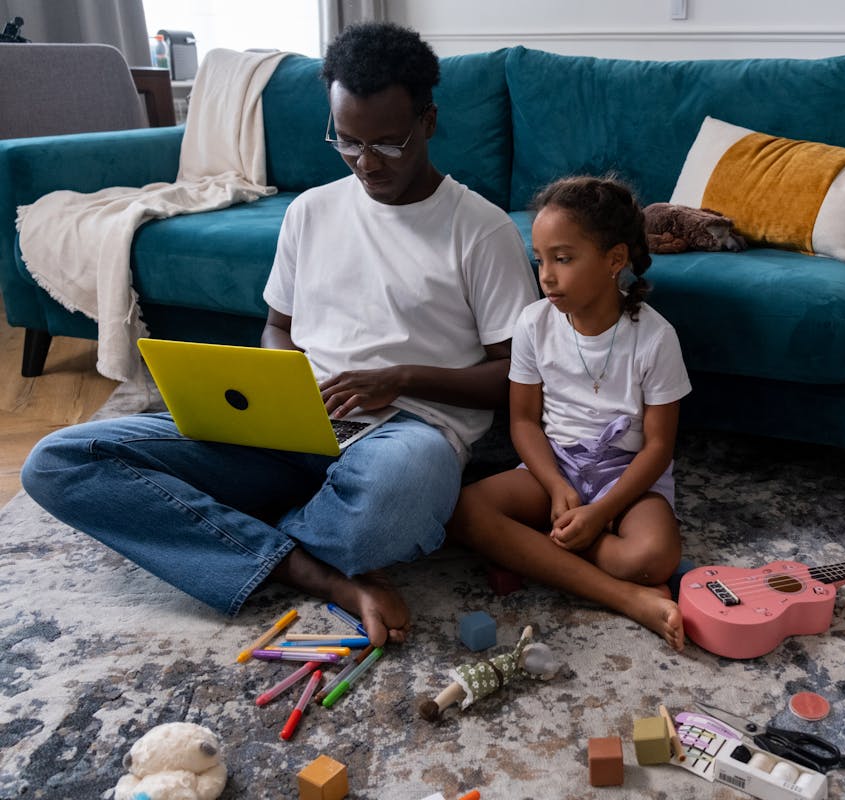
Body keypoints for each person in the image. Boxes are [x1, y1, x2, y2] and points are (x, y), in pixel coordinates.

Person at [19, 23, 538, 648]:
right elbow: (278, 327)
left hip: (404, 433)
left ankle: (237, 539)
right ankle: (313, 566)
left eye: (388, 144)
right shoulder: (310, 212)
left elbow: (518, 377)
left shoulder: (481, 231)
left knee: (399, 497)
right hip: (289, 423)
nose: (367, 163)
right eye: (347, 142)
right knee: (59, 462)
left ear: (428, 121)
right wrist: (280, 387)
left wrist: (400, 378)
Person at [448, 176, 691, 651]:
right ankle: (625, 597)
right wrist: (558, 486)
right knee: (462, 509)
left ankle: (537, 545)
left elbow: (660, 446)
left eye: (563, 259)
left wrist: (600, 513)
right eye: (540, 260)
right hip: (555, 467)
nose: (547, 276)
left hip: (625, 478)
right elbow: (522, 421)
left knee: (654, 558)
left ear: (614, 260)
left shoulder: (656, 338)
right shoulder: (533, 323)